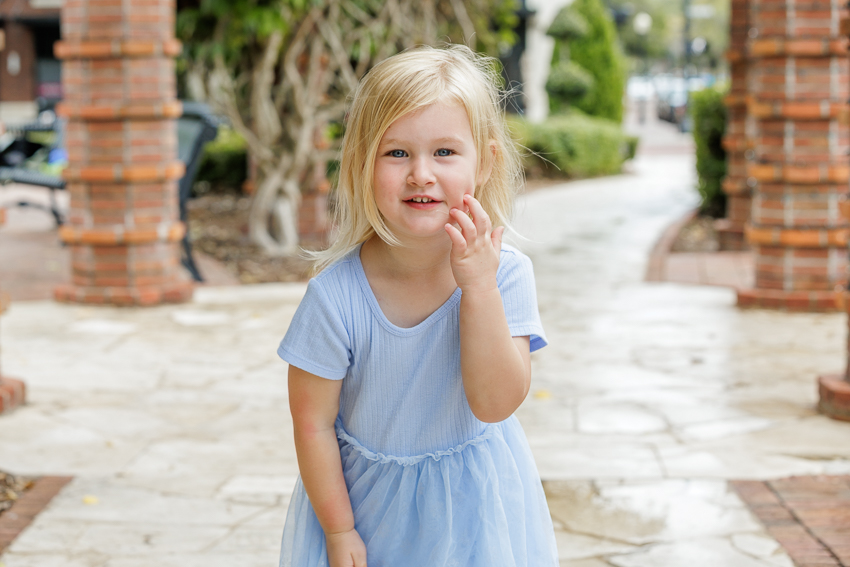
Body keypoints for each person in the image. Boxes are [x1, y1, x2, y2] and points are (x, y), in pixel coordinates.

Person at [277, 44, 558, 567]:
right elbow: (312, 423)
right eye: (397, 152)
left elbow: (495, 404)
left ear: (486, 160)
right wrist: (339, 532)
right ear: (363, 162)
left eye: (445, 153)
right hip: (366, 511)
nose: (421, 174)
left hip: (474, 509)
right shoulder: (336, 297)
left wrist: (478, 288)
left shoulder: (506, 273)